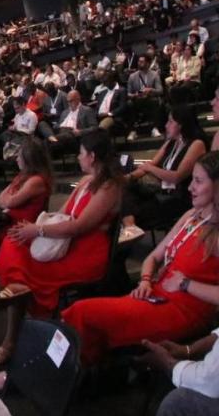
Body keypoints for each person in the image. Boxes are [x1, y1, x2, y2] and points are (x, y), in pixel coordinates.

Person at [62, 151, 219, 365]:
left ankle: (77, 375)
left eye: (199, 181)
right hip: (157, 294)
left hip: (183, 310)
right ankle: (89, 371)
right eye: (192, 179)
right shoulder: (192, 216)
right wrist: (145, 280)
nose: (190, 187)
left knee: (83, 313)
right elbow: (153, 257)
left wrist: (185, 284)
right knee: (85, 315)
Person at [0, 130, 123, 368]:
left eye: (81, 153)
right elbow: (63, 214)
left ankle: (12, 337)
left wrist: (37, 231)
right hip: (67, 240)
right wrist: (36, 227)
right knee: (14, 241)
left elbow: (78, 226)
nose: (78, 157)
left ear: (93, 156)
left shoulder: (109, 187)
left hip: (85, 251)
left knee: (24, 271)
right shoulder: (87, 181)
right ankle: (18, 294)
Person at [121, 105, 208, 240]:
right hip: (162, 192)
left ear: (181, 124)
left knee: (128, 208)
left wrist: (149, 168)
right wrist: (129, 177)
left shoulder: (197, 144)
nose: (166, 125)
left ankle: (129, 229)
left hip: (180, 196)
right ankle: (130, 227)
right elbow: (151, 164)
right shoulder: (171, 142)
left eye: (170, 121)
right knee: (122, 189)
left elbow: (176, 177)